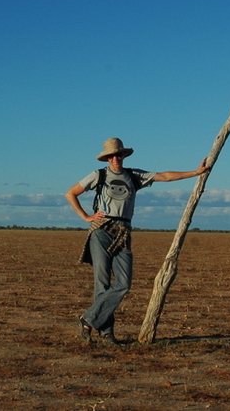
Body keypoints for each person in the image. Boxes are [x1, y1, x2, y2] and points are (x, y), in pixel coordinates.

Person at [65, 137, 209, 344]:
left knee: (123, 283)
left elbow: (165, 176)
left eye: (119, 154)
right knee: (102, 283)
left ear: (123, 155)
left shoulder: (134, 175)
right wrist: (86, 217)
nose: (116, 158)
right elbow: (71, 193)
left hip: (124, 231)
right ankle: (106, 333)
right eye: (111, 155)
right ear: (106, 158)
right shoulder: (99, 175)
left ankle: (88, 319)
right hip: (101, 230)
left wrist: (195, 173)